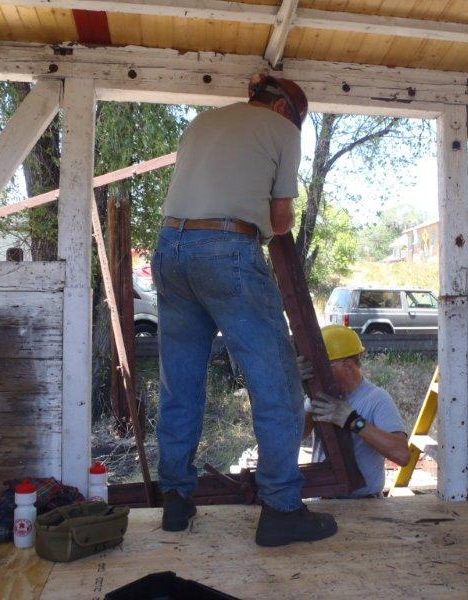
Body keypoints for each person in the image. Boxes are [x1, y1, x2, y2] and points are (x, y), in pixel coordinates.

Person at [152, 74, 338, 547]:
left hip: (169, 247)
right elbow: (279, 220)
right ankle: (281, 508)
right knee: (275, 382)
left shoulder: (201, 123)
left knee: (181, 378)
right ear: (284, 110)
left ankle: (175, 499)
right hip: (226, 247)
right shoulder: (282, 131)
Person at [299, 325, 411, 498]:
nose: (318, 372)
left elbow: (402, 455)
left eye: (325, 366)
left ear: (348, 365)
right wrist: (300, 390)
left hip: (363, 504)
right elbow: (297, 435)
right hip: (323, 500)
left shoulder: (376, 399)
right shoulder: (323, 393)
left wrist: (353, 421)